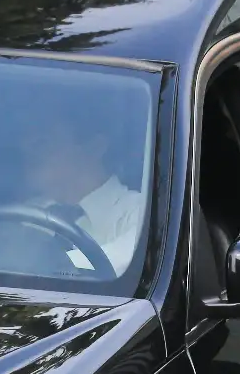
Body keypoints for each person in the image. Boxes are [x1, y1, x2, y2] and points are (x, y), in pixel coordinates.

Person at [10, 115, 144, 273]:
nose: (27, 146)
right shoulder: (25, 212)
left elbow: (128, 261)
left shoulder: (140, 211)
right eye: (25, 143)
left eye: (42, 141)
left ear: (94, 147)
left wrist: (44, 264)